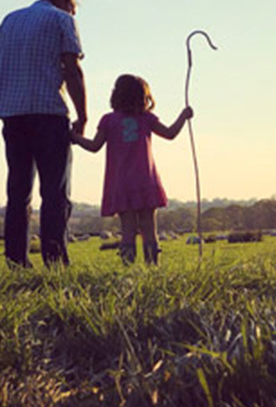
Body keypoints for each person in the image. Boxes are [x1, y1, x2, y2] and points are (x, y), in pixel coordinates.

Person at [0, 0, 87, 267]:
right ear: (63, 0)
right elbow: (72, 68)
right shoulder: (62, 19)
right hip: (48, 113)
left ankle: (16, 262)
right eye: (73, 7)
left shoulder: (9, 20)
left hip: (12, 114)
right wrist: (83, 115)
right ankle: (55, 262)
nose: (73, 12)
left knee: (18, 192)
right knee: (54, 192)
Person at [71, 74, 192, 265]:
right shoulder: (146, 119)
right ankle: (152, 268)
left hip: (121, 184)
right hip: (146, 181)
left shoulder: (108, 120)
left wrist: (75, 137)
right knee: (149, 229)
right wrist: (183, 116)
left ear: (116, 95)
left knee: (127, 230)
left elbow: (94, 146)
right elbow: (170, 133)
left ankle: (128, 269)